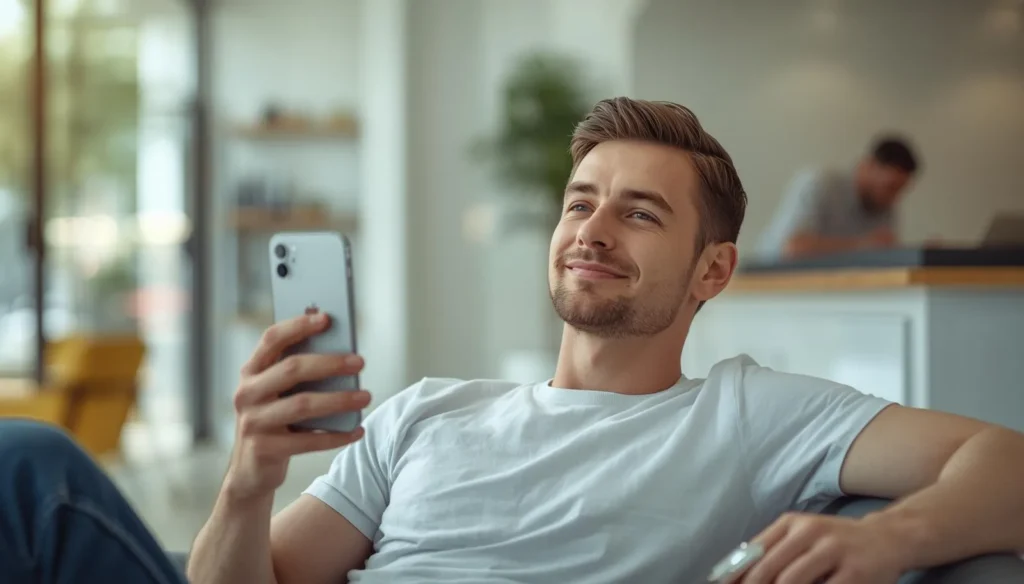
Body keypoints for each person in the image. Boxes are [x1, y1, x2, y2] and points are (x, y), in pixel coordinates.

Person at [2, 98, 1023, 584]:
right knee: (25, 467)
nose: (592, 227)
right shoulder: (428, 408)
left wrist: (890, 537)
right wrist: (246, 479)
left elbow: (1004, 462)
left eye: (639, 213)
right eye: (581, 201)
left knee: (28, 463)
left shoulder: (750, 410)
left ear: (713, 271)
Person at [758, 136, 920, 261]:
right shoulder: (819, 184)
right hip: (772, 290)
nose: (894, 198)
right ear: (867, 166)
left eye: (900, 190)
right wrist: (863, 246)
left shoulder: (885, 204)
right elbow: (793, 249)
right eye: (890, 187)